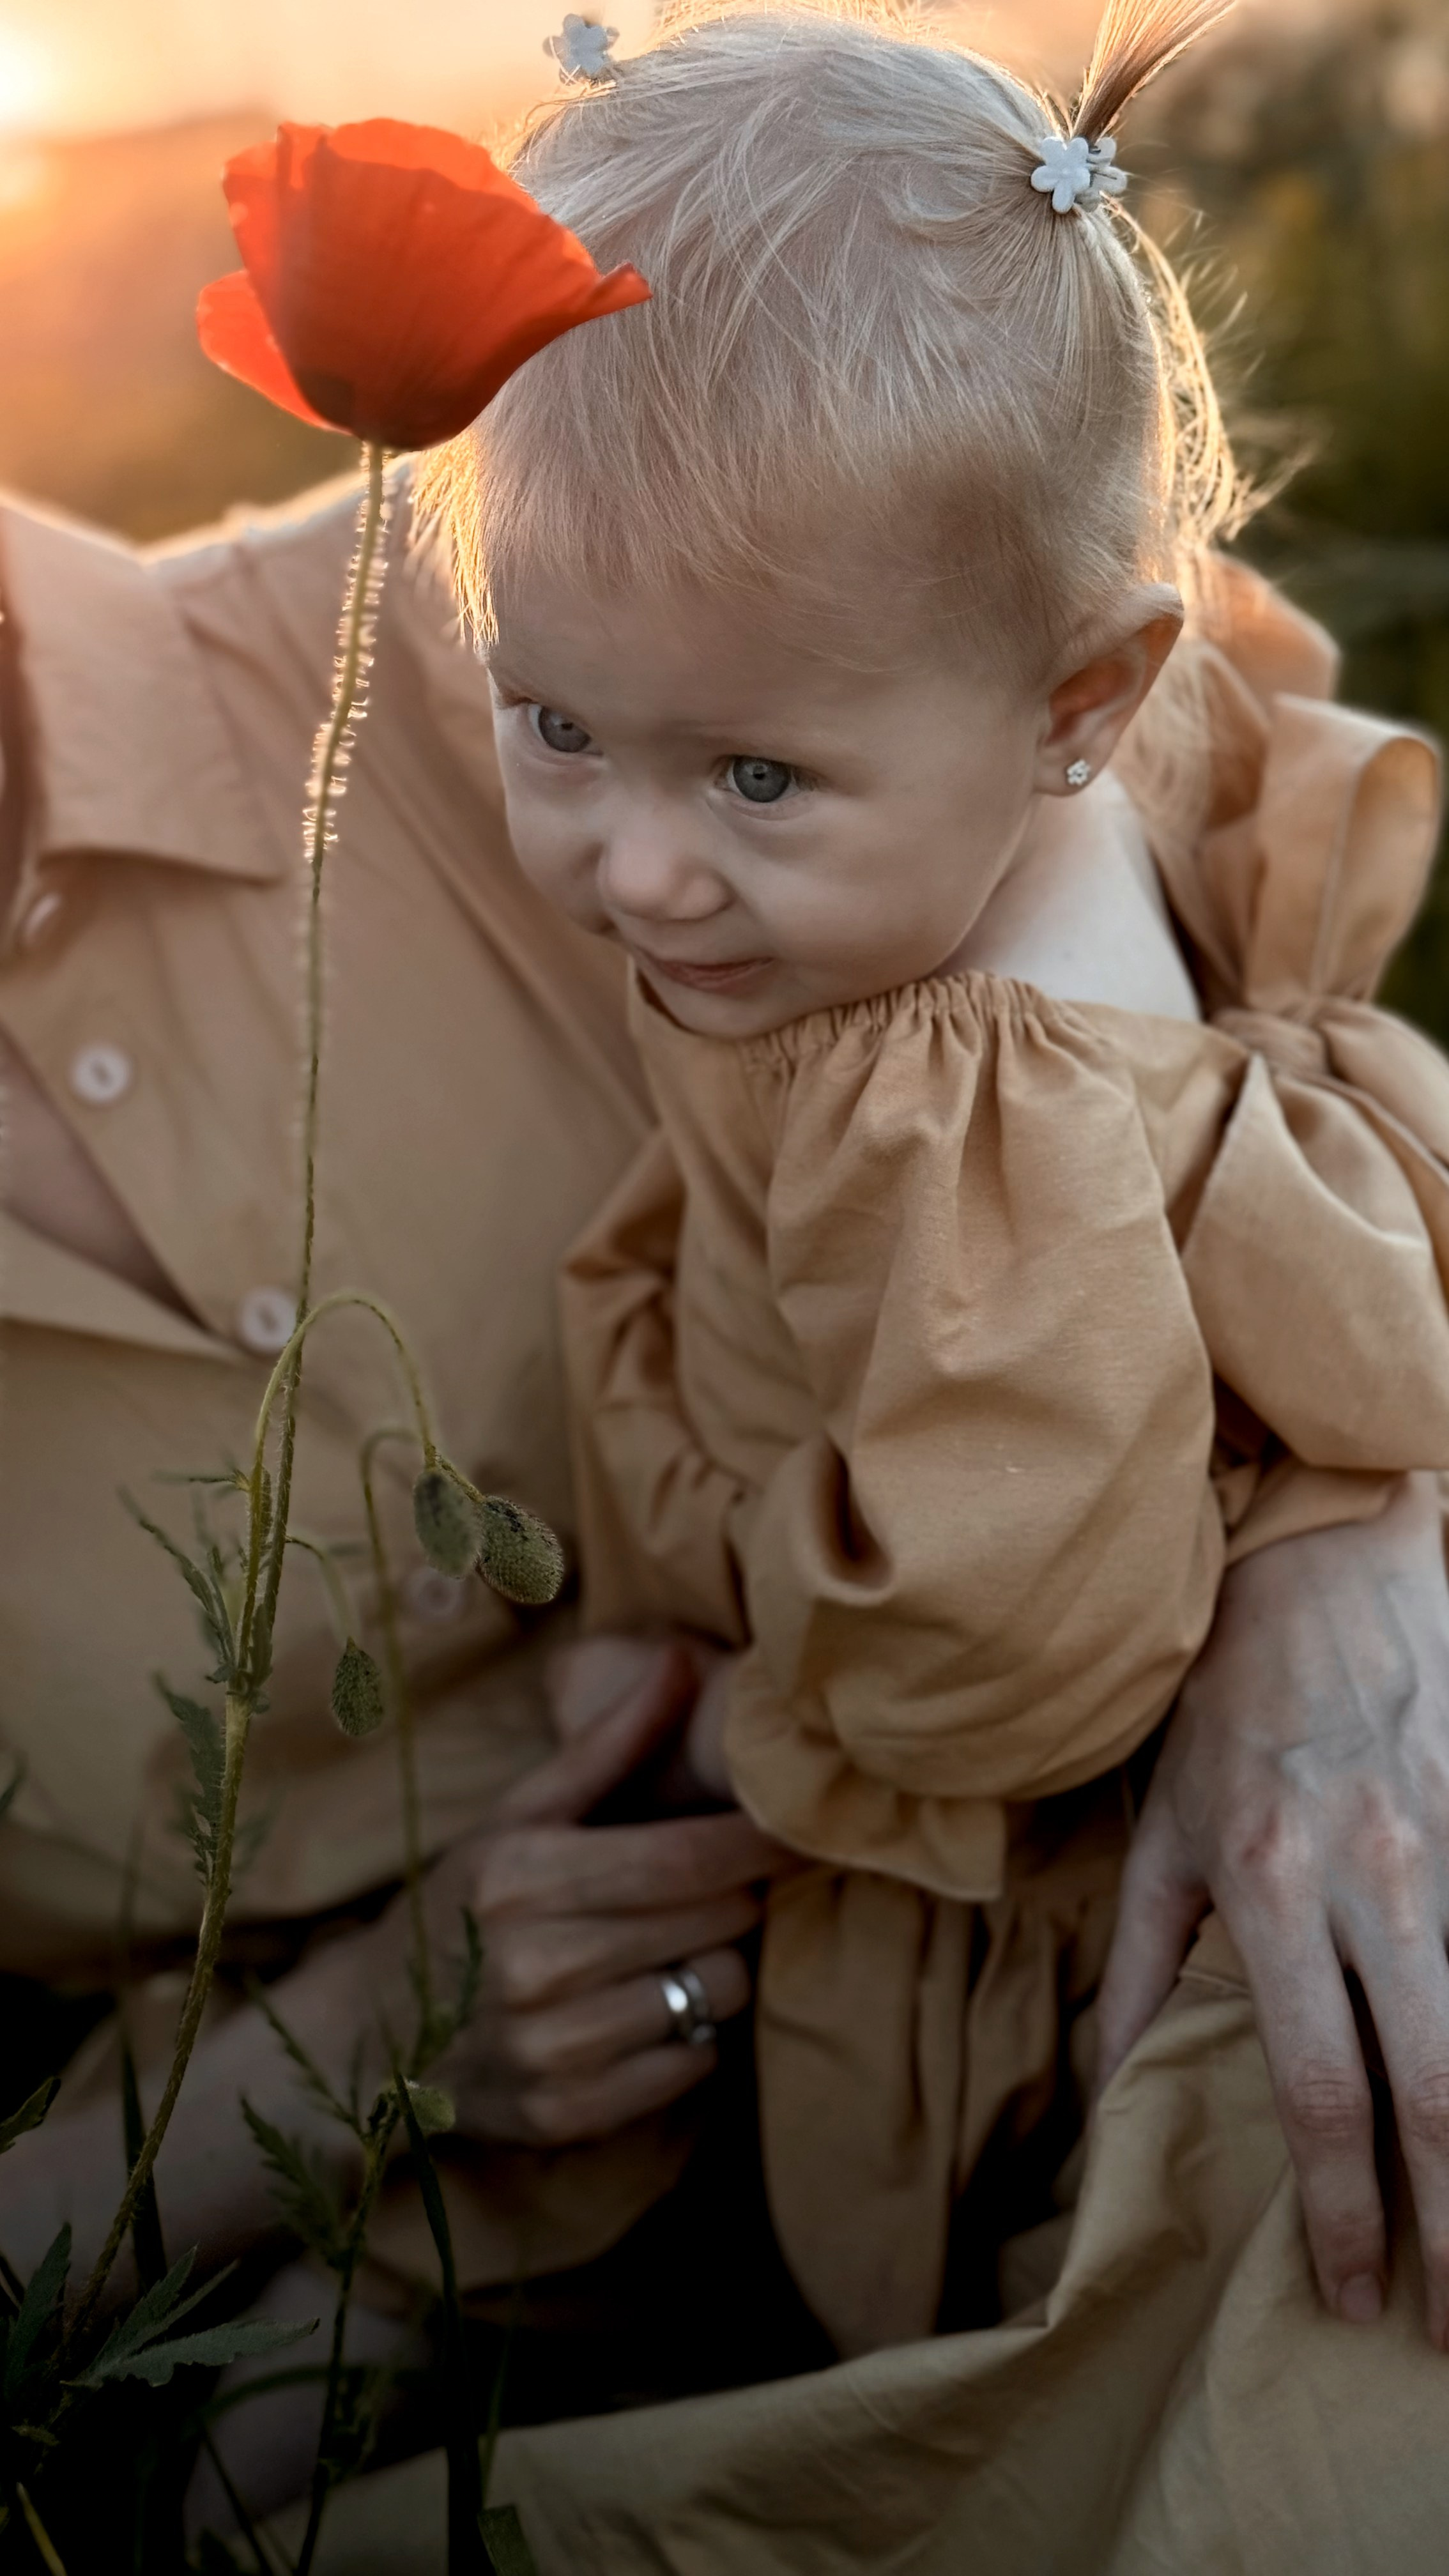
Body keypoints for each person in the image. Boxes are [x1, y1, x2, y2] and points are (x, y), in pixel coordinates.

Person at [0, 200, 1442, 2558]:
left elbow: (1148, 786)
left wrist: (1342, 1525)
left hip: (1119, 1889)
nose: (644, 858)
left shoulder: (478, 597)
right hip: (425, 2266)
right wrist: (362, 2051)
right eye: (581, 757)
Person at [417, 0, 1449, 2373]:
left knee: (1032, 2316)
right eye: (557, 724)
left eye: (757, 778)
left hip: (1027, 1890)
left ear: (1080, 695)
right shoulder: (1031, 759)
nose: (637, 867)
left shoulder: (951, 1119)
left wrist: (744, 1682)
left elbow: (1015, 1656)